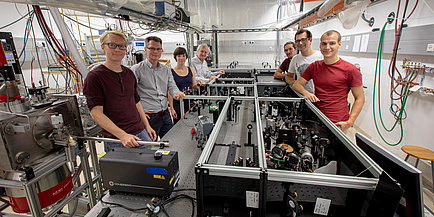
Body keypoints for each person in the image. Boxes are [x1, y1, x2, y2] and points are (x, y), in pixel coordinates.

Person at [83, 30, 156, 153]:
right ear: (103, 47)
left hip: (140, 133)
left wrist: (147, 126)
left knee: (148, 170)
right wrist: (122, 135)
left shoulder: (129, 73)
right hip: (117, 139)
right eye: (112, 45)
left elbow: (136, 102)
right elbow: (96, 114)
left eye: (121, 46)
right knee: (126, 172)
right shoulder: (95, 77)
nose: (117, 49)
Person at [293, 30, 365, 132]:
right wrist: (306, 93)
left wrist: (350, 122)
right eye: (324, 44)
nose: (327, 47)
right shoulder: (314, 66)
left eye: (332, 43)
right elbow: (296, 85)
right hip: (317, 118)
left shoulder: (350, 70)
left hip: (338, 123)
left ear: (339, 44)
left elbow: (360, 98)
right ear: (320, 45)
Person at [131, 36, 185, 138]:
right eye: (152, 48)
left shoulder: (166, 69)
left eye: (158, 49)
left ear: (161, 50)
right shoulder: (137, 69)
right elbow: (129, 93)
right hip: (149, 118)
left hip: (165, 115)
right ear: (146, 49)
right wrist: (137, 111)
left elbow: (172, 86)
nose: (155, 51)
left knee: (170, 143)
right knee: (150, 148)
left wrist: (177, 93)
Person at [285, 29, 323, 94]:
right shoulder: (295, 59)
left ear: (310, 40)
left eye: (303, 40)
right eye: (297, 41)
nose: (300, 43)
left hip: (319, 96)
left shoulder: (321, 56)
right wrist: (292, 82)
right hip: (303, 96)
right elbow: (288, 76)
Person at [169, 47, 198, 124]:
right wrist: (172, 108)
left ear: (186, 57)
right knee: (179, 126)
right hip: (178, 104)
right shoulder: (171, 72)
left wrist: (199, 84)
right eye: (179, 56)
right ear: (175, 57)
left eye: (183, 56)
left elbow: (194, 85)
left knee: (191, 123)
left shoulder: (191, 70)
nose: (181, 58)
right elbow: (169, 91)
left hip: (190, 102)